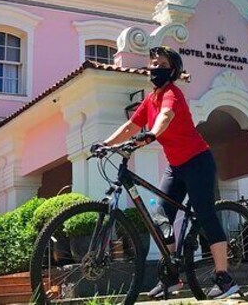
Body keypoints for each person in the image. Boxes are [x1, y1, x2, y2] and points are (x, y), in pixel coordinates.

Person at [97, 46, 240, 299]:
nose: (154, 68)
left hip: (198, 161)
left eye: (160, 64)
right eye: (152, 64)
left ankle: (224, 278)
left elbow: (166, 116)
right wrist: (106, 144)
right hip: (176, 167)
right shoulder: (150, 99)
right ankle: (172, 277)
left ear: (172, 70)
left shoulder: (172, 94)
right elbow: (131, 125)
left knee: (205, 214)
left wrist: (152, 133)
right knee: (161, 216)